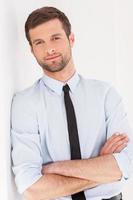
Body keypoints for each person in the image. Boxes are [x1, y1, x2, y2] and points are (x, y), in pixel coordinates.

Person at [11, 6, 133, 200]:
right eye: (39, 42)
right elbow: (32, 188)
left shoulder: (105, 94)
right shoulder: (25, 104)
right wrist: (101, 165)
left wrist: (56, 168)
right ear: (32, 50)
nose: (49, 48)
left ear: (71, 39)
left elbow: (127, 164)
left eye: (55, 38)